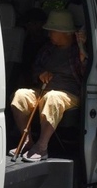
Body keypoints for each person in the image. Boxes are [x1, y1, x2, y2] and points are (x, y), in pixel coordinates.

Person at [9, 9, 86, 162]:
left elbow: (86, 72)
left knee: (52, 97)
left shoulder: (77, 50)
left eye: (52, 31)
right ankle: (26, 140)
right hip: (45, 89)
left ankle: (42, 146)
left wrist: (83, 53)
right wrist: (40, 73)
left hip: (69, 94)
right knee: (20, 95)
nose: (49, 34)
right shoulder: (48, 49)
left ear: (66, 33)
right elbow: (35, 68)